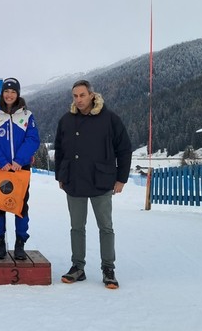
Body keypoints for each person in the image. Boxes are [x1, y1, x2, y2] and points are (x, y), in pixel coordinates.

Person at [53, 79, 132, 289]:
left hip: (101, 181)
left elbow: (124, 149)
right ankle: (77, 268)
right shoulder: (66, 120)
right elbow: (59, 150)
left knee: (105, 227)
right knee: (77, 227)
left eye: (82, 95)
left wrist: (121, 178)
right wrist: (60, 175)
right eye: (75, 96)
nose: (78, 100)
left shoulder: (109, 119)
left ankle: (108, 269)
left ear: (91, 95)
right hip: (74, 181)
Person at [0, 77, 40, 260]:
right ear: (2, 93)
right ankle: (0, 242)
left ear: (18, 94)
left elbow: (32, 140)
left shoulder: (27, 115)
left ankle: (20, 243)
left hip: (20, 168)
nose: (9, 95)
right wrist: (2, 162)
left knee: (21, 206)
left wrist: (18, 160)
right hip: (0, 168)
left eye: (13, 92)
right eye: (6, 91)